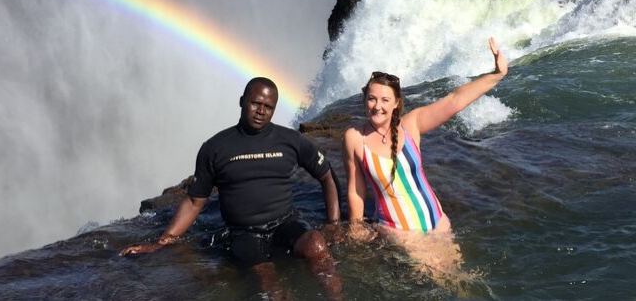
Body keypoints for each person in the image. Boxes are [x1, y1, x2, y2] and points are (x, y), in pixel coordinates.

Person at [121, 77, 342, 300]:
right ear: (242, 101)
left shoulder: (291, 140)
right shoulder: (215, 148)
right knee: (267, 279)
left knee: (316, 244)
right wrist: (163, 242)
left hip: (285, 223)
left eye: (268, 107)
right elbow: (194, 201)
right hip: (244, 233)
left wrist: (334, 224)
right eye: (255, 103)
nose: (260, 111)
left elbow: (327, 176)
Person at [342, 37, 508, 289]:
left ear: (396, 103)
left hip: (438, 221)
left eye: (385, 100)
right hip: (401, 233)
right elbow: (356, 189)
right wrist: (355, 227)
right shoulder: (355, 138)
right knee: (439, 287)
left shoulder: (411, 125)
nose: (378, 106)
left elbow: (454, 100)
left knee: (464, 285)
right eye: (372, 99)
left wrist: (497, 75)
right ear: (365, 100)